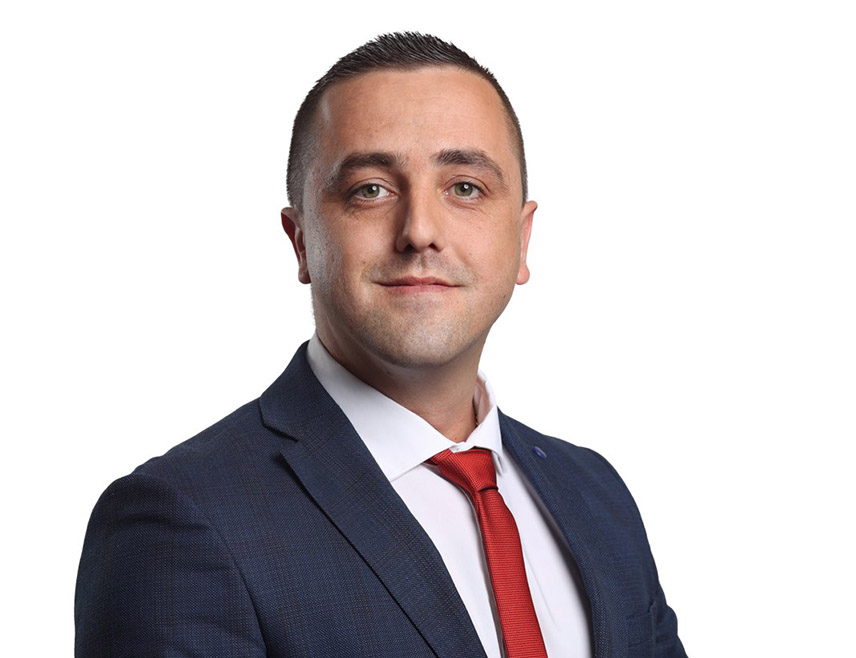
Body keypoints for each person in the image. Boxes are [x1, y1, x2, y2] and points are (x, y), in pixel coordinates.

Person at [75, 32, 687, 658]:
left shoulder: (596, 495)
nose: (419, 231)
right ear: (301, 241)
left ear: (523, 239)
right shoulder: (181, 521)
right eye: (370, 189)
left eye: (465, 187)